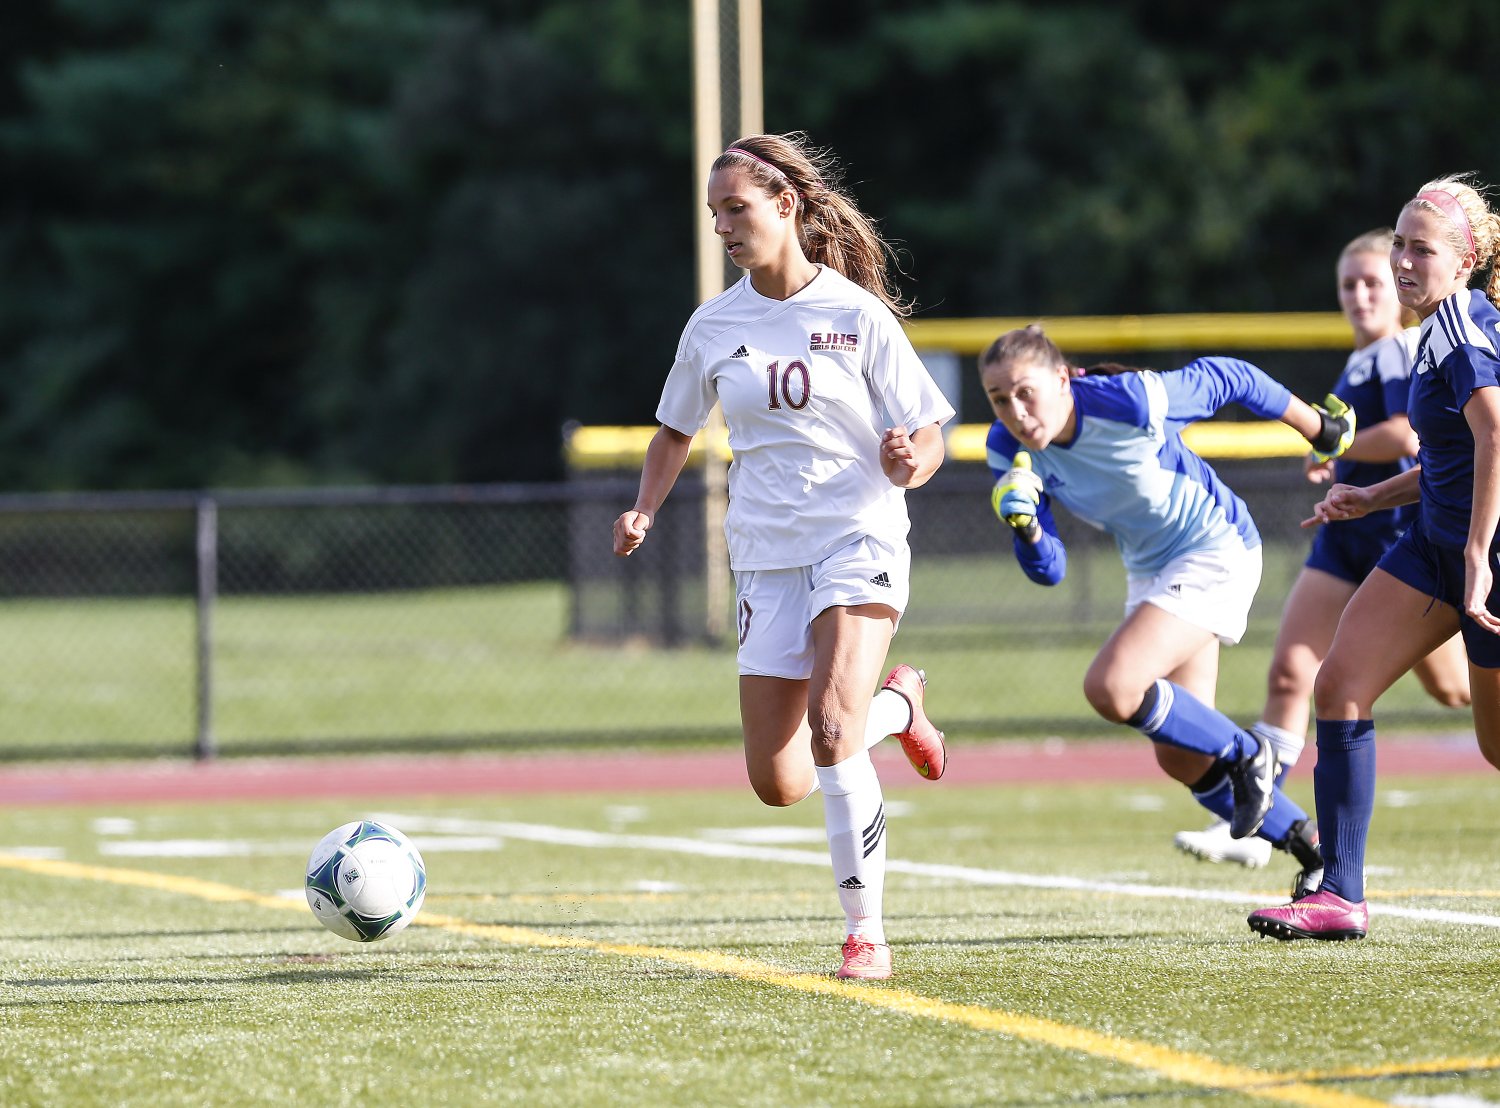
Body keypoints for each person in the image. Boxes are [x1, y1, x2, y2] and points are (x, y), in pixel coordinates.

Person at [612, 132, 955, 980]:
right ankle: (901, 711)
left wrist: (916, 458)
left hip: (857, 535)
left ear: (787, 206)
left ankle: (865, 934)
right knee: (781, 780)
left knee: (833, 727)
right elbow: (674, 430)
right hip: (765, 556)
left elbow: (929, 429)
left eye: (738, 208)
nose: (725, 226)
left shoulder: (855, 314)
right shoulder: (714, 325)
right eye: (715, 213)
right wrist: (644, 509)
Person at [981, 326, 1358, 893]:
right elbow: (1050, 571)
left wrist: (1320, 428)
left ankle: (1249, 750)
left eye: (1025, 392)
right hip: (1153, 570)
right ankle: (1314, 850)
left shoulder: (1131, 401)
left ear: (1063, 380)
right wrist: (1028, 530)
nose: (1015, 412)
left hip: (1215, 546)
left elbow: (1236, 377)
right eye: (998, 399)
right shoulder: (1006, 451)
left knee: (1112, 686)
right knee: (1180, 757)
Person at [1249, 174, 1500, 941]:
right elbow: (1452, 462)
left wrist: (1482, 553)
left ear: (1464, 261)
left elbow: (1497, 436)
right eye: (1397, 242)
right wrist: (1372, 496)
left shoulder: (1462, 330)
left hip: (1481, 554)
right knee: (1342, 682)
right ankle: (1342, 895)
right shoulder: (1439, 327)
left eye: (1420, 249)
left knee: (1495, 745)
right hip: (1433, 545)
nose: (1401, 261)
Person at [1174, 229, 1471, 869]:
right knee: (1290, 671)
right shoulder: (1361, 361)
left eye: (1373, 282)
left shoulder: (1403, 351)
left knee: (1457, 690)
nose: (1363, 293)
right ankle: (1257, 823)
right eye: (1349, 284)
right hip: (1345, 537)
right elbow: (1359, 440)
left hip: (1397, 538)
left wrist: (1333, 441)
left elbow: (1406, 438)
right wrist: (1332, 459)